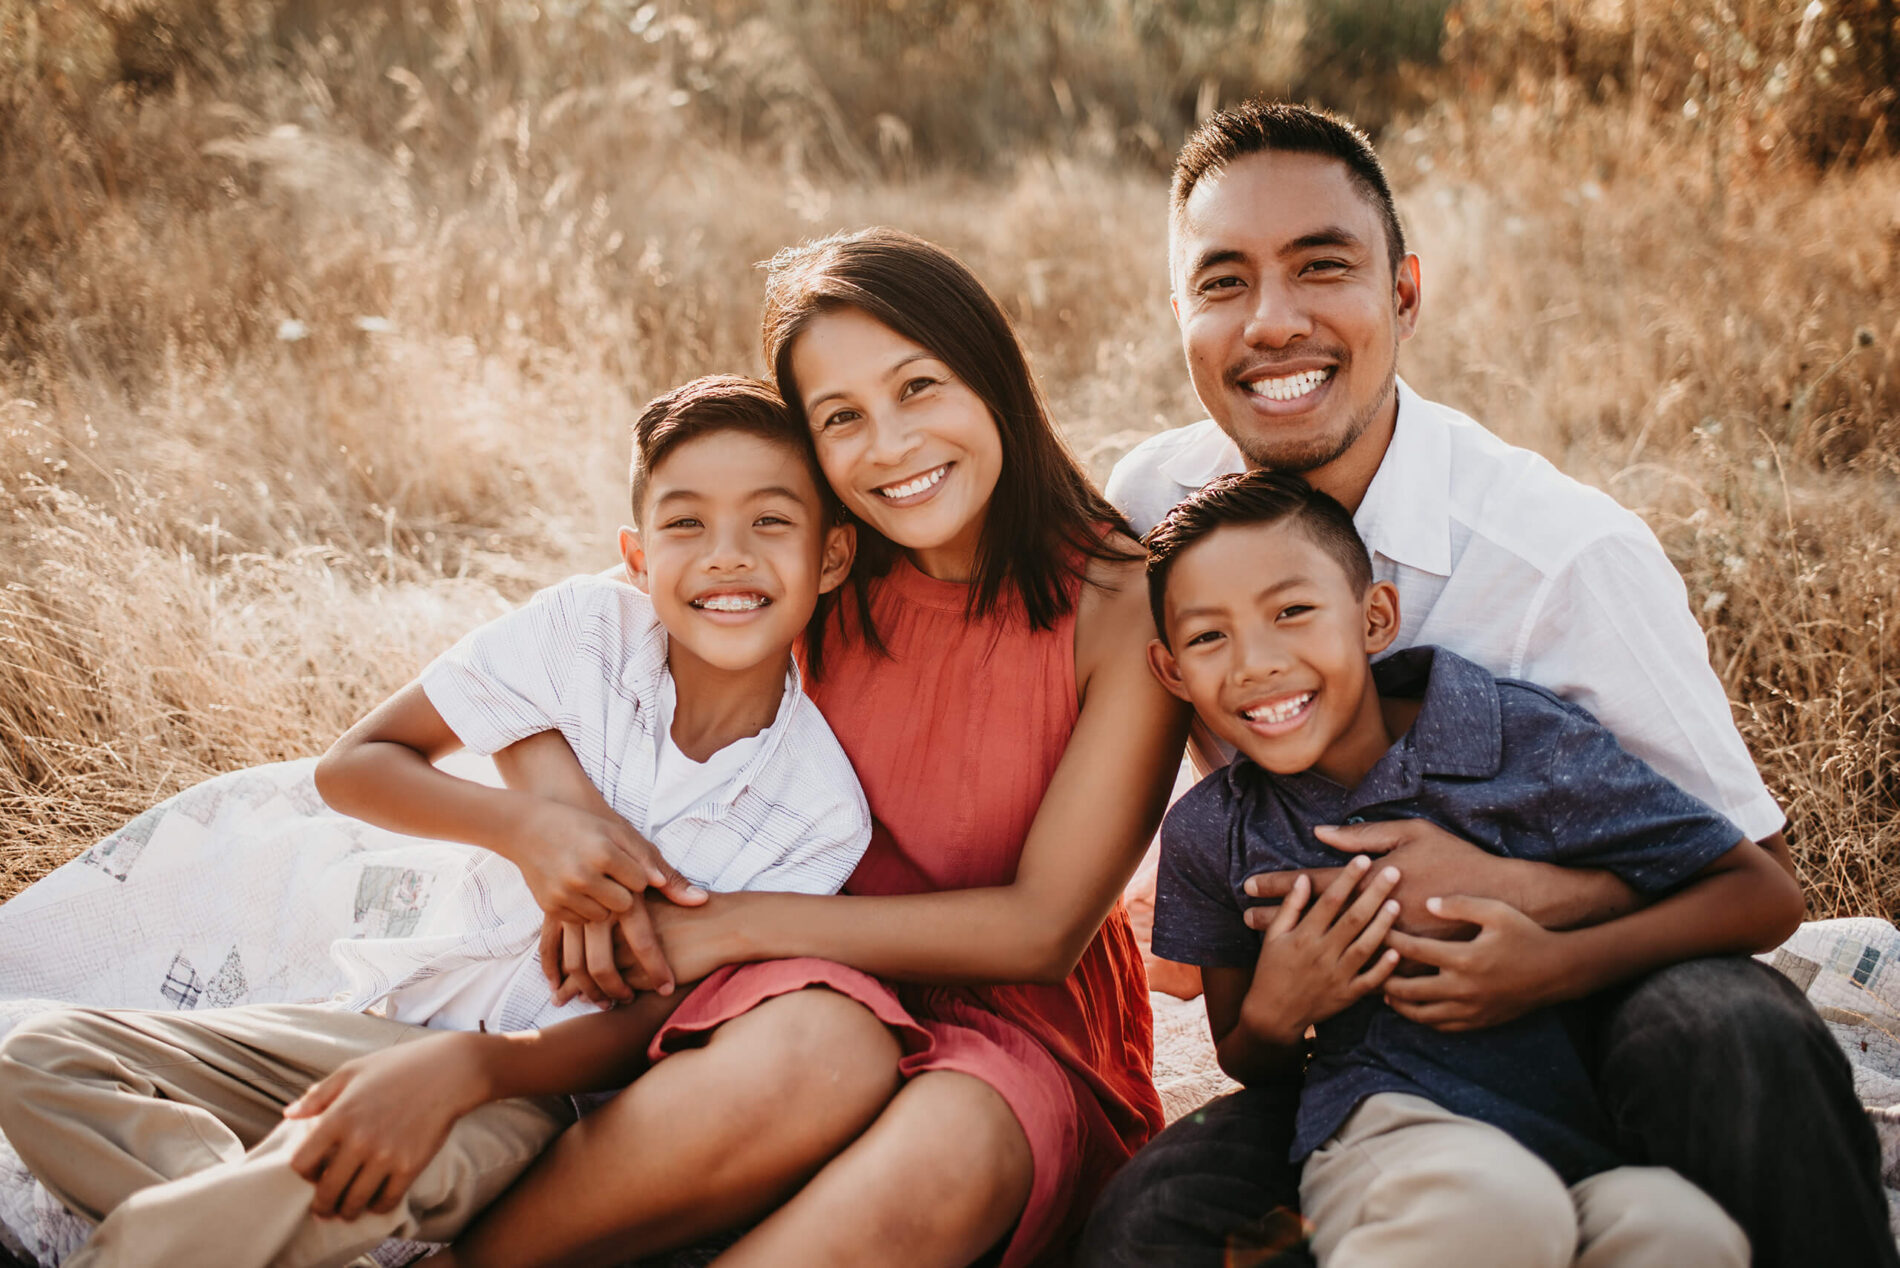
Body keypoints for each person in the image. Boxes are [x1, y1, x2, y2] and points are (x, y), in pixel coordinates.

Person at [1080, 99, 1897, 1267]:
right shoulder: (1159, 502)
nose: (1273, 321)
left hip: (1608, 1002)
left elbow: (1753, 878)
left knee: (1728, 1035)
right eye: (1223, 281)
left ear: (1404, 293)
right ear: (1180, 314)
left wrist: (1529, 904)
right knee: (1150, 1220)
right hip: (1364, 1051)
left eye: (1322, 266)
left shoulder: (1564, 557)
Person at [419, 226, 1189, 1268]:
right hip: (791, 978)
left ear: (992, 373)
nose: (890, 445)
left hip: (1015, 1019)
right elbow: (560, 663)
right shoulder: (821, 561)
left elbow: (1043, 929)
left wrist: (721, 928)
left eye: (919, 387)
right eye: (841, 418)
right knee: (803, 1057)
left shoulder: (1117, 602)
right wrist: (572, 832)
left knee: (947, 1151)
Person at [0, 375, 873, 1268]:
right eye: (686, 522)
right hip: (377, 1023)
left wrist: (473, 1076)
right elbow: (356, 766)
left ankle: (202, 1229)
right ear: (638, 556)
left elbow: (661, 1016)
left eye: (770, 522)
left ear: (833, 557)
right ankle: (236, 1214)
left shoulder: (820, 810)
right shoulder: (584, 630)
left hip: (523, 1098)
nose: (727, 556)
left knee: (340, 1177)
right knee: (37, 1054)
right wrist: (529, 832)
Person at [1144, 469, 1803, 1266]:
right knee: (1488, 1206)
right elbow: (1243, 1055)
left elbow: (1763, 895)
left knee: (1682, 1235)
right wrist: (1282, 1010)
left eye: (1292, 612)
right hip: (1394, 1126)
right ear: (1173, 669)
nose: (1254, 663)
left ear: (1375, 616)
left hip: (1589, 1131)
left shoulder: (1518, 740)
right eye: (1209, 636)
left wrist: (1554, 965)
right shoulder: (1215, 831)